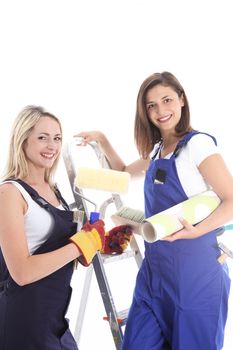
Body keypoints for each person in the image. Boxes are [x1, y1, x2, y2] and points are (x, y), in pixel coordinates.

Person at [75, 71, 233, 350]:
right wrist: (101, 138)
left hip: (195, 278)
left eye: (167, 100)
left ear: (182, 100)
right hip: (155, 274)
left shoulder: (197, 145)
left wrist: (197, 230)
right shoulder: (157, 150)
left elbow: (231, 199)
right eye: (151, 105)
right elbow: (124, 173)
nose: (161, 110)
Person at [0, 105, 132, 350]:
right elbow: (22, 272)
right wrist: (81, 244)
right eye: (42, 138)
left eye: (57, 138)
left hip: (54, 320)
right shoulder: (10, 193)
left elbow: (60, 254)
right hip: (23, 323)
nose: (52, 146)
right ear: (22, 140)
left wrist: (100, 244)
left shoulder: (55, 191)